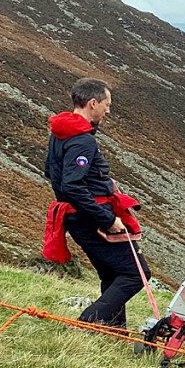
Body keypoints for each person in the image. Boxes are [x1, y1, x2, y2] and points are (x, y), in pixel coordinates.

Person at [43, 77, 150, 328]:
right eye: (106, 104)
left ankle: (113, 330)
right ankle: (87, 322)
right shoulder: (83, 140)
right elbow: (73, 185)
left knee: (112, 274)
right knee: (138, 274)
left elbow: (52, 172)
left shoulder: (60, 133)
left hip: (76, 215)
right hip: (91, 216)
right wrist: (107, 219)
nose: (108, 110)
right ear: (93, 103)